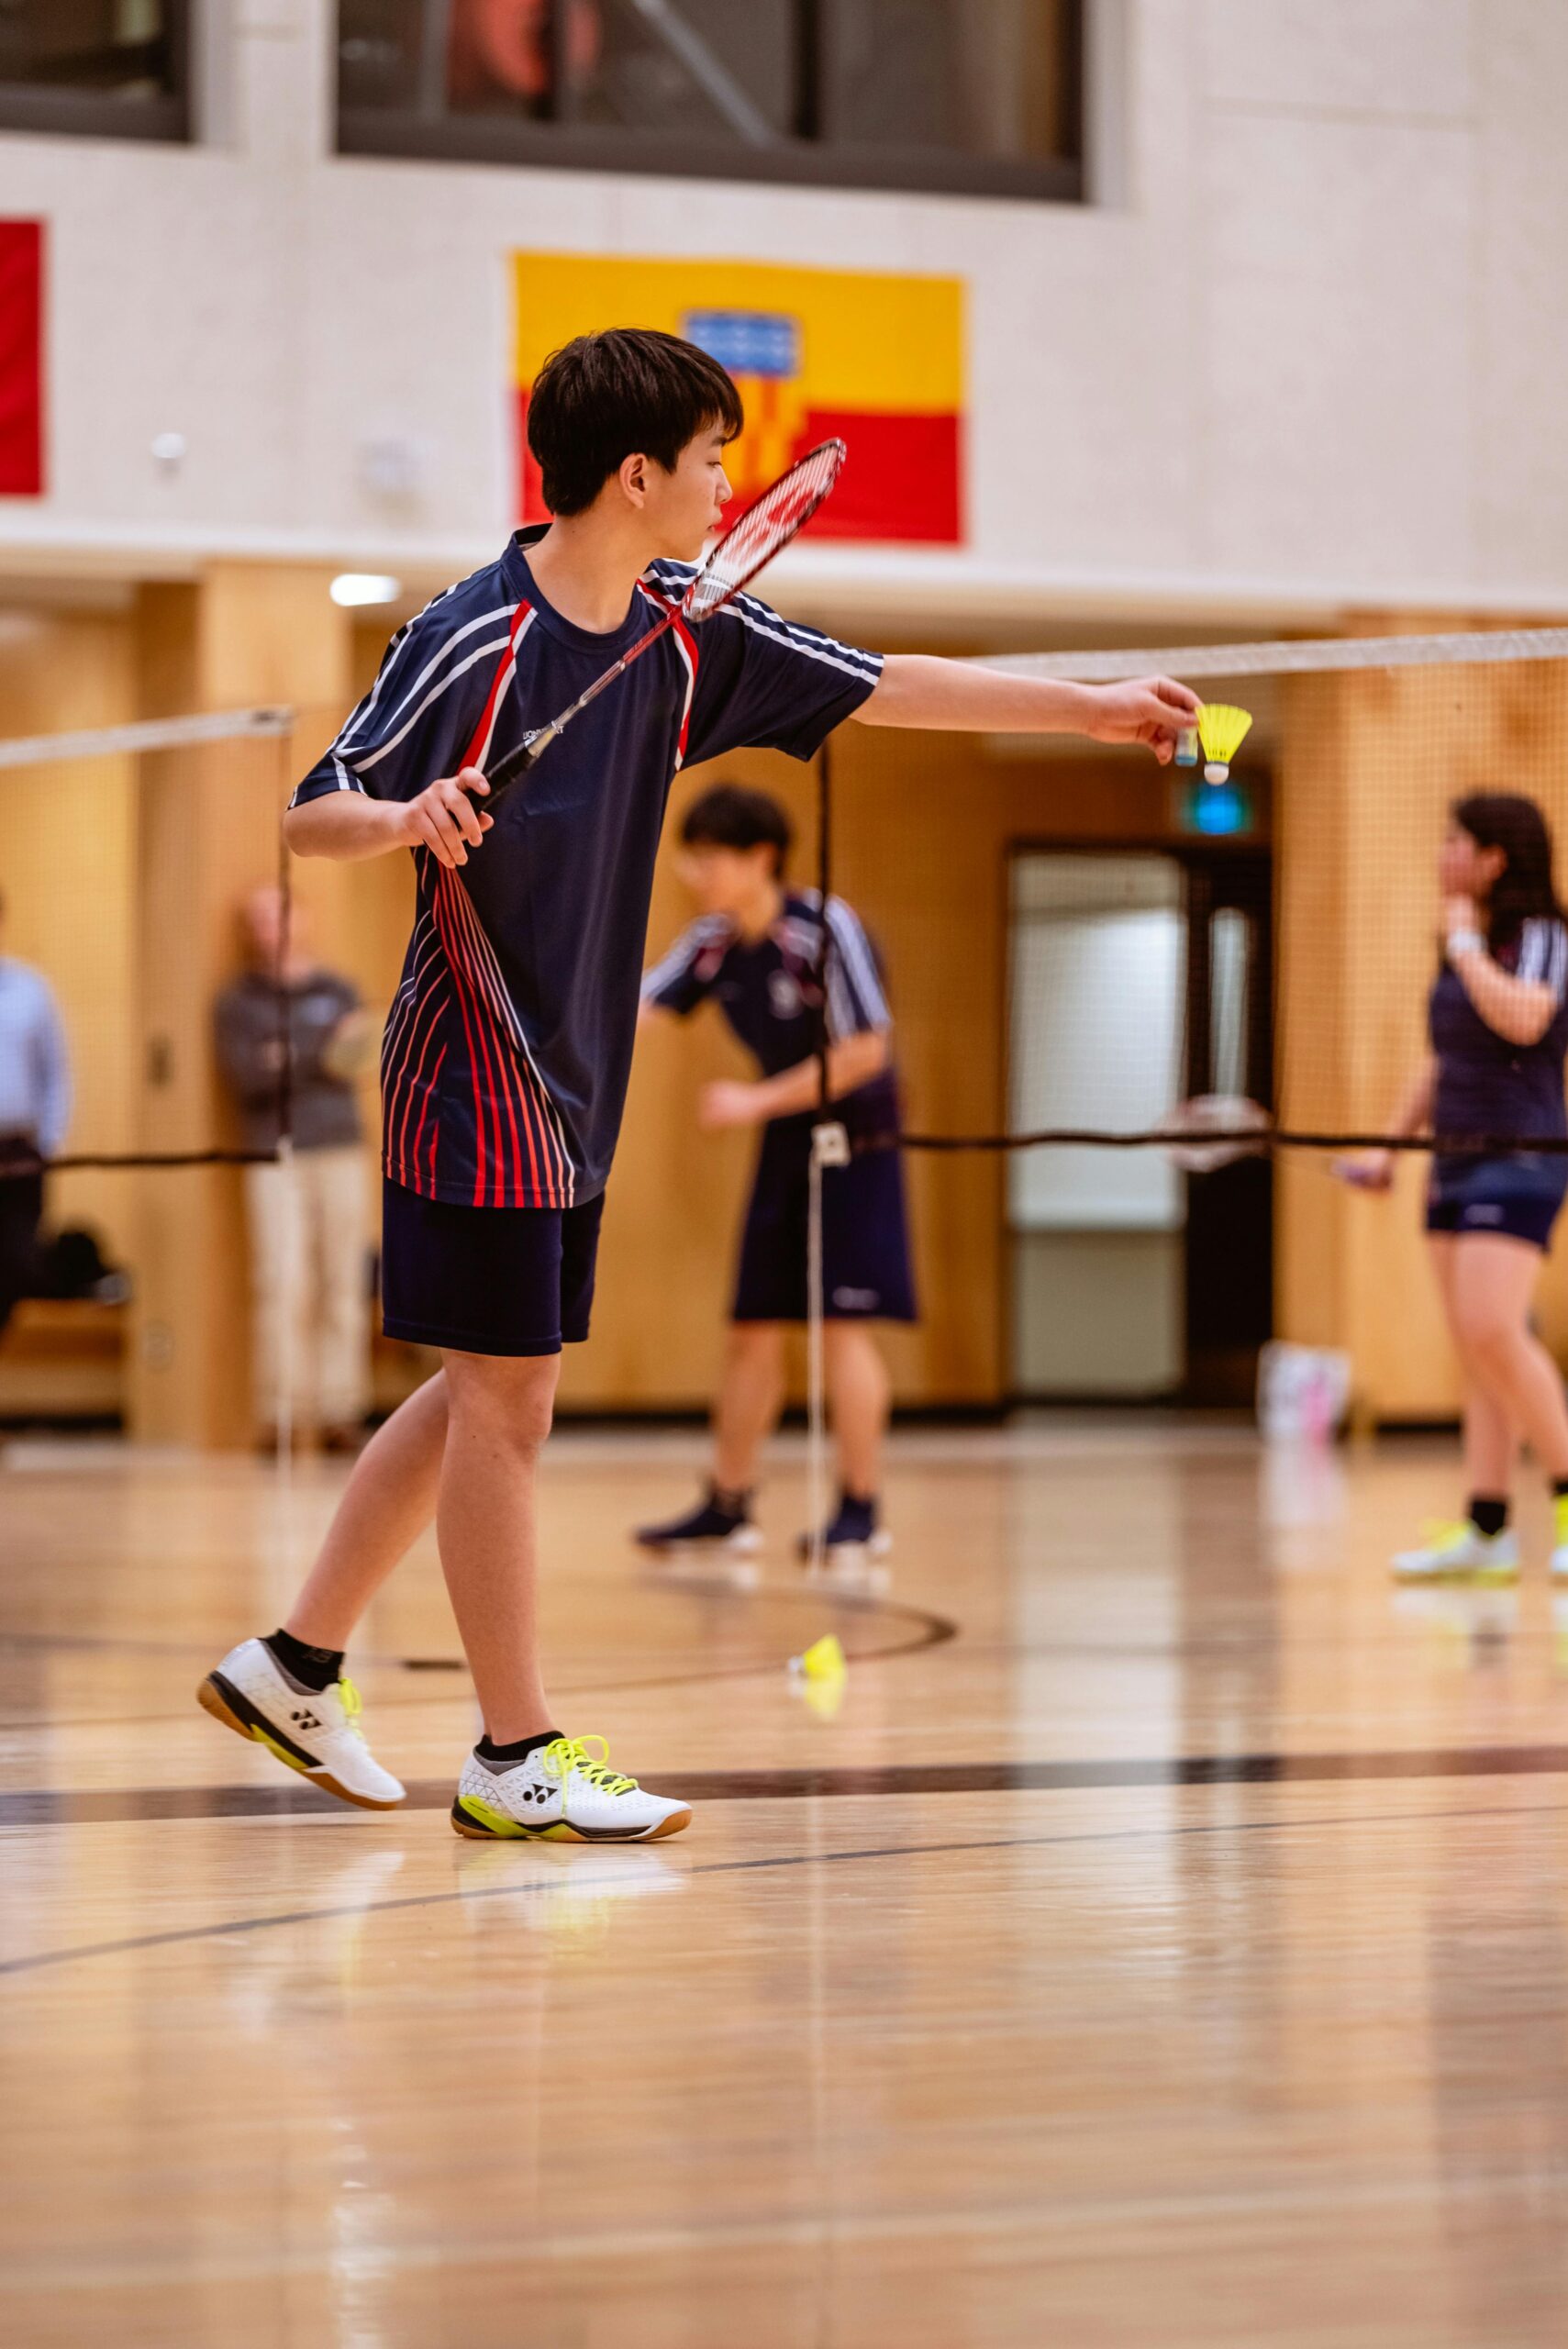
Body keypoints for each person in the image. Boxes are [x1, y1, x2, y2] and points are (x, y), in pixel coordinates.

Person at [197, 326, 1198, 1842]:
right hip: (478, 1065)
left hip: (576, 1073)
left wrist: (1088, 706)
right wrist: (406, 816)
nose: (732, 484)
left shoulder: (682, 633)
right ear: (636, 473)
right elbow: (309, 813)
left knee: (480, 1380)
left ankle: (294, 1661)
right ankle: (512, 1753)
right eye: (715, 458)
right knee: (508, 1403)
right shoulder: (472, 639)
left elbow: (878, 684)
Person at [637, 783, 910, 1564]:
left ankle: (860, 1509)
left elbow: (866, 1052)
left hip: (853, 1136)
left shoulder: (825, 928)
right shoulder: (712, 942)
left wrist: (753, 1100)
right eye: (690, 858)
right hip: (783, 1134)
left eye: (710, 857)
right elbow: (639, 1006)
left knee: (841, 1327)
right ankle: (729, 1505)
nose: (696, 872)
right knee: (751, 1327)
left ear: (761, 858)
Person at [1340, 795, 1568, 1581]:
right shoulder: (1458, 947)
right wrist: (1387, 1148)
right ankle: (1487, 1527)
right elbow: (1445, 1061)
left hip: (1522, 1157)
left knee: (1493, 1330)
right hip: (1452, 1160)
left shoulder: (1540, 938)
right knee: (1476, 1350)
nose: (1440, 854)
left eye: (1454, 842)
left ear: (1493, 858)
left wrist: (1467, 948)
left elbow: (1526, 1020)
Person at [214, 887, 373, 1450]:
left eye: (278, 915)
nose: (270, 929)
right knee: (283, 1282)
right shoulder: (238, 1003)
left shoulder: (337, 988)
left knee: (341, 1281)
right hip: (274, 1152)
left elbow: (355, 1057)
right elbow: (250, 1079)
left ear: (301, 918)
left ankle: (339, 1410)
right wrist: (317, 1054)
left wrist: (287, 1055)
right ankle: (280, 1413)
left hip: (341, 1149)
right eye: (257, 919)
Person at [0, 887, 71, 1340]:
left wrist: (47, 1146)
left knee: (17, 1263)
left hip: (19, 1149)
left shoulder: (30, 989)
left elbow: (57, 1074)